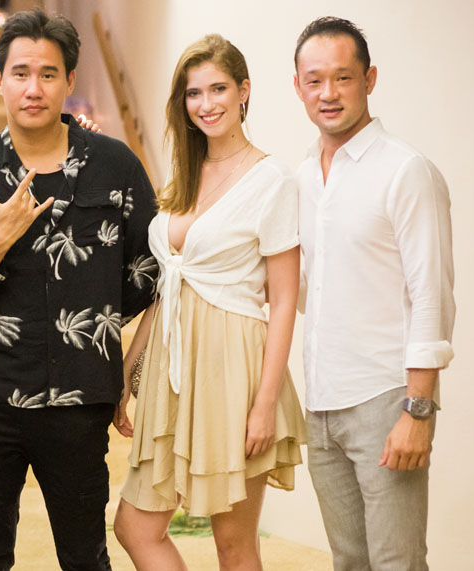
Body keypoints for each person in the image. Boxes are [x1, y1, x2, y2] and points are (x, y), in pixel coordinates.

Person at [0, 10, 157, 570]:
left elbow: (146, 274)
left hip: (79, 400)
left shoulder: (115, 166)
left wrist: (98, 327)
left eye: (48, 74)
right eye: (21, 73)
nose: (34, 88)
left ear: (69, 80)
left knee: (85, 557)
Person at [110, 33, 306, 571]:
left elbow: (283, 301)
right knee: (135, 527)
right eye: (193, 93)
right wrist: (128, 370)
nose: (206, 103)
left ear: (244, 91)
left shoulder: (272, 180)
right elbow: (168, 287)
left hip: (233, 370)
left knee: (233, 547)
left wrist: (264, 404)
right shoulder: (185, 175)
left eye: (218, 88)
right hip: (172, 370)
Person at [293, 17, 454, 570]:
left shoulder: (406, 171)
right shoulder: (304, 178)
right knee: (349, 561)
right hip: (321, 403)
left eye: (343, 77)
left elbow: (432, 296)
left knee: (397, 563)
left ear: (370, 79)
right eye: (315, 80)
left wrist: (418, 409)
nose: (328, 93)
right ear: (297, 86)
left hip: (387, 400)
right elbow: (313, 291)